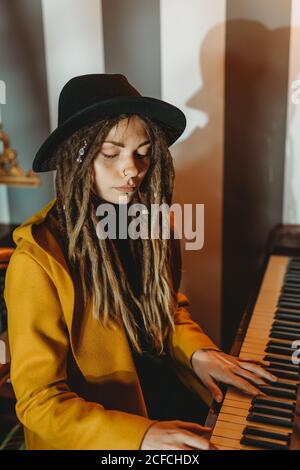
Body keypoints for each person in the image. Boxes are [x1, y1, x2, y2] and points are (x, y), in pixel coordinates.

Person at [4, 74, 277, 450]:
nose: (132, 168)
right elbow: (39, 402)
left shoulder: (148, 224)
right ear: (76, 157)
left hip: (162, 399)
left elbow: (166, 310)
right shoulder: (36, 262)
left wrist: (197, 351)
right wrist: (141, 436)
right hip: (106, 436)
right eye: (111, 153)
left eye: (143, 152)